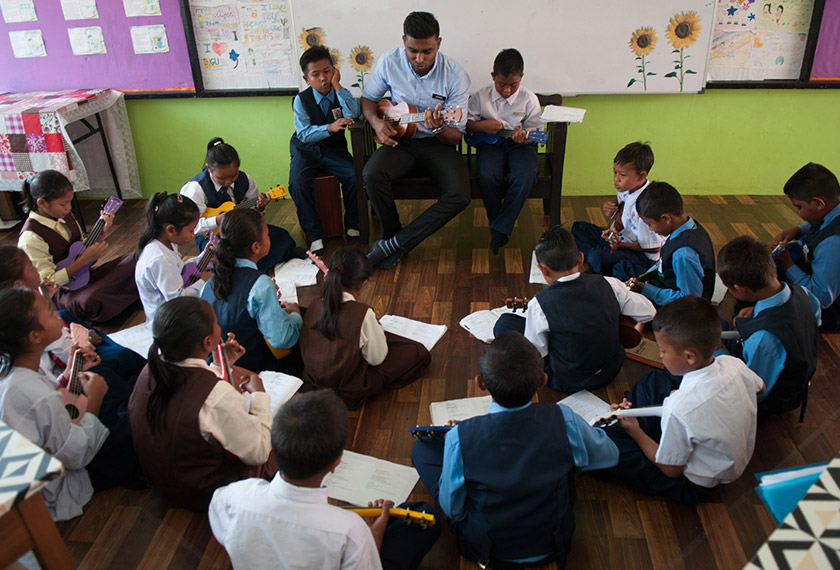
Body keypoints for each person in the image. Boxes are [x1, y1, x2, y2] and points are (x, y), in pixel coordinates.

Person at [411, 332, 618, 568]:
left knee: (422, 449)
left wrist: (465, 438)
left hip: (486, 548)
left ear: (480, 384)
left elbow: (454, 511)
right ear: (542, 380)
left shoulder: (461, 437)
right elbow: (609, 456)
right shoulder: (563, 418)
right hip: (554, 541)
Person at [210, 389, 441, 570]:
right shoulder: (349, 531)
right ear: (336, 462)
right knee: (425, 516)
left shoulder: (234, 496)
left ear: (274, 453)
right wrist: (373, 540)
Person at [604, 296, 764, 505]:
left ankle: (627, 427)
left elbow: (671, 470)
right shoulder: (733, 363)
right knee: (652, 381)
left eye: (663, 351)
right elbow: (761, 387)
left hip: (693, 486)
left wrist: (635, 431)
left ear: (689, 357)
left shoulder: (680, 408)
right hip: (727, 460)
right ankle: (634, 424)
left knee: (611, 445)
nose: (660, 356)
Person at [0, 287, 142, 521]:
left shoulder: (13, 372)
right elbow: (77, 455)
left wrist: (67, 376)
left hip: (61, 453)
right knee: (139, 421)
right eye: (49, 311)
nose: (57, 314)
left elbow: (46, 412)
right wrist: (93, 399)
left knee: (119, 389)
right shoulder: (33, 392)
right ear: (34, 336)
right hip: (62, 482)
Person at [128, 296, 274, 512]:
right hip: (206, 494)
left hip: (164, 481)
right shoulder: (215, 395)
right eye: (216, 323)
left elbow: (185, 393)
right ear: (207, 342)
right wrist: (259, 395)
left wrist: (218, 365)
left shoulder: (150, 369)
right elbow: (259, 452)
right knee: (283, 437)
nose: (220, 326)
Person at [361, 11, 471, 269]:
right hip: (403, 142)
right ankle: (392, 235)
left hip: (437, 143)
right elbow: (368, 100)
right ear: (403, 41)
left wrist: (438, 128)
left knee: (460, 195)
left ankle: (395, 244)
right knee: (371, 174)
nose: (420, 59)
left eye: (427, 51)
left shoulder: (455, 75)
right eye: (412, 51)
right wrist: (377, 123)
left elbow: (455, 137)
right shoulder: (390, 62)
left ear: (439, 44)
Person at [495, 226, 655, 392]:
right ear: (580, 258)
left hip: (567, 381)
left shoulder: (540, 304)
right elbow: (649, 312)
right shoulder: (609, 283)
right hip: (610, 370)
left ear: (542, 269)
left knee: (504, 323)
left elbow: (537, 353)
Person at [300, 247, 430, 409]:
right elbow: (377, 358)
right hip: (347, 391)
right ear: (363, 285)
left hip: (314, 383)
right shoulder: (362, 314)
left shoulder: (315, 304)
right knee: (418, 352)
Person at [0, 244, 145, 382]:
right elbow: (62, 346)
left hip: (71, 344)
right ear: (18, 285)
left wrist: (46, 298)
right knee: (122, 359)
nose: (37, 270)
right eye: (32, 268)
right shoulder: (25, 320)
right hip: (72, 362)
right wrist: (84, 341)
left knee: (63, 315)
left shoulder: (23, 304)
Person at [17, 170, 138, 323]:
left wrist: (101, 233)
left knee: (136, 258)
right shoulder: (31, 237)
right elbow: (47, 284)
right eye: (63, 204)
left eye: (70, 202)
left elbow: (80, 248)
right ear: (41, 203)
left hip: (84, 276)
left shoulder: (64, 215)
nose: (68, 208)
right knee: (90, 299)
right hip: (62, 293)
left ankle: (117, 297)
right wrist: (85, 260)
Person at [717, 235, 819, 416]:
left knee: (702, 352)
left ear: (740, 289)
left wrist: (718, 351)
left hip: (768, 398)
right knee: (713, 326)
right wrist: (757, 309)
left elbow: (752, 391)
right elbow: (813, 320)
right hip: (788, 370)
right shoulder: (802, 292)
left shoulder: (764, 339)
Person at [200, 208, 303, 375]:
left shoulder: (209, 283)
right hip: (252, 369)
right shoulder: (260, 283)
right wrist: (295, 316)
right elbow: (281, 339)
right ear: (256, 247)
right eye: (267, 235)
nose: (270, 237)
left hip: (217, 366)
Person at [180, 137, 303, 273]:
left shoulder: (245, 180)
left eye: (233, 176)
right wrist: (217, 220)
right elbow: (191, 227)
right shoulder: (195, 189)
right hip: (211, 237)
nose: (228, 182)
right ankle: (248, 270)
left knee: (281, 236)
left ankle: (247, 270)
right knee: (224, 255)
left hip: (240, 230)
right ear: (209, 168)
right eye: (221, 178)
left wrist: (259, 208)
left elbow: (255, 217)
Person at [466, 48, 542, 254]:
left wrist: (526, 137)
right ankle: (499, 226)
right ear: (493, 77)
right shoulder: (481, 96)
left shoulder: (529, 99)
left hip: (520, 146)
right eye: (501, 85)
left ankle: (499, 228)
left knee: (525, 175)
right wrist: (483, 126)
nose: (507, 90)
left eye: (513, 85)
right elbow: (467, 125)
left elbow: (538, 132)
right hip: (491, 144)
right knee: (487, 174)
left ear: (521, 78)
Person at [290, 46, 361, 255]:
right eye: (316, 74)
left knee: (353, 174)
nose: (323, 78)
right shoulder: (301, 101)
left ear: (334, 71)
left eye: (327, 71)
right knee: (298, 183)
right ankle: (314, 235)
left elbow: (354, 112)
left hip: (333, 150)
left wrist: (338, 85)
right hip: (306, 150)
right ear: (306, 79)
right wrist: (329, 127)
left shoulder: (340, 93)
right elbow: (303, 133)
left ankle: (353, 223)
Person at [571, 142, 666, 279]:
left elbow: (654, 247)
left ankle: (601, 260)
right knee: (578, 228)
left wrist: (621, 244)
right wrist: (611, 204)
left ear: (641, 176)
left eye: (622, 175)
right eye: (614, 172)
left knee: (597, 257)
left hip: (639, 254)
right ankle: (604, 261)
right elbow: (621, 198)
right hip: (619, 239)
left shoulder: (646, 206)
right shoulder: (630, 187)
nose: (616, 179)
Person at [772, 162, 840, 330]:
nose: (798, 214)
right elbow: (824, 222)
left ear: (819, 203)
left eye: (799, 207)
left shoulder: (832, 243)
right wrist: (797, 230)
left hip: (831, 310)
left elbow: (821, 298)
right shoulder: (833, 207)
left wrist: (788, 264)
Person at [625, 181, 716, 305]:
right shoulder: (689, 227)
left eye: (650, 224)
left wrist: (645, 289)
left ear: (666, 219)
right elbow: (662, 263)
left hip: (682, 312)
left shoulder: (683, 254)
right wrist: (645, 277)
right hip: (668, 285)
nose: (650, 229)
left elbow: (689, 300)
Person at [135, 192, 209, 327]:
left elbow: (180, 271)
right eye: (191, 230)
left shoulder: (166, 243)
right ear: (171, 229)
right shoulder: (160, 258)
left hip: (173, 313)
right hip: (168, 324)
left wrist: (204, 256)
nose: (193, 235)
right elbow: (177, 299)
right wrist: (203, 281)